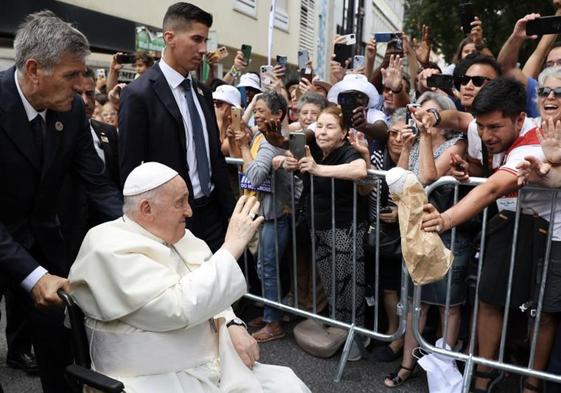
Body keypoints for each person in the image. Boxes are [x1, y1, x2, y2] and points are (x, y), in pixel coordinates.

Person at [68, 162, 311, 393]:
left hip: (209, 367)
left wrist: (231, 323)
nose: (189, 210)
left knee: (288, 383)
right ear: (146, 208)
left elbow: (210, 293)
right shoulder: (106, 246)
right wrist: (232, 246)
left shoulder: (181, 237)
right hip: (151, 380)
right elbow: (177, 307)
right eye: (180, 202)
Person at [0, 10, 122, 393]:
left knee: (60, 350)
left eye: (84, 73)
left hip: (44, 245)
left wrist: (141, 235)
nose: (83, 85)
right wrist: (33, 276)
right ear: (34, 69)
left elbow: (98, 185)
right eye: (73, 75)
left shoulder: (70, 115)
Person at [421, 77, 561, 393]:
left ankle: (532, 384)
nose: (485, 135)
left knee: (545, 312)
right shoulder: (485, 126)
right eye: (482, 127)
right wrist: (433, 118)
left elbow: (493, 188)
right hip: (510, 223)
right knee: (489, 298)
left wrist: (445, 219)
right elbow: (460, 119)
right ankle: (483, 376)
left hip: (553, 234)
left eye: (495, 128)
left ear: (520, 119)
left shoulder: (534, 143)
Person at [119, 2, 235, 252]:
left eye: (205, 41)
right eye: (196, 39)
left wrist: (229, 213)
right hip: (169, 222)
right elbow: (130, 171)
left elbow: (214, 156)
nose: (203, 49)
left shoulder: (203, 93)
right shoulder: (139, 95)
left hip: (213, 216)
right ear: (169, 37)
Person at [384, 92, 468, 388]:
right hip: (418, 234)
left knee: (449, 304)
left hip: (450, 233)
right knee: (414, 302)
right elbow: (402, 179)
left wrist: (423, 135)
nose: (424, 118)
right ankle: (407, 365)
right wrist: (408, 145)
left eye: (431, 114)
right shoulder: (419, 142)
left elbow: (429, 177)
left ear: (445, 117)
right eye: (421, 112)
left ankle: (443, 371)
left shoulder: (458, 144)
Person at [283, 105, 369, 361]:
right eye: (319, 126)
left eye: (330, 127)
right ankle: (339, 331)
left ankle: (356, 339)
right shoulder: (314, 152)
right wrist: (289, 162)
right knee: (332, 284)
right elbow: (286, 160)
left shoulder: (347, 151)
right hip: (319, 228)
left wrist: (318, 170)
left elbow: (359, 170)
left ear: (343, 133)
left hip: (345, 229)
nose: (322, 131)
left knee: (350, 286)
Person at [234, 91, 294, 343]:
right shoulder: (261, 133)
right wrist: (253, 104)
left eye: (261, 110)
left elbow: (256, 175)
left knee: (267, 269)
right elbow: (241, 122)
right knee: (263, 267)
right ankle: (272, 311)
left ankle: (274, 322)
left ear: (277, 115)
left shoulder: (270, 142)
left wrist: (244, 147)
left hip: (274, 215)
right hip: (265, 213)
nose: (255, 114)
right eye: (255, 110)